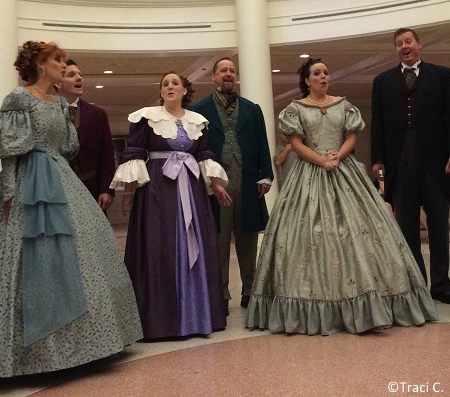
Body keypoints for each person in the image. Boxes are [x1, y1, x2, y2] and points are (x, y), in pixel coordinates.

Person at [246, 58, 437, 335]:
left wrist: (338, 155)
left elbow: (351, 137)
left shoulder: (343, 105)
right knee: (307, 233)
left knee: (360, 230)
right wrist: (321, 161)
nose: (323, 76)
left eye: (325, 72)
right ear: (307, 80)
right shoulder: (295, 109)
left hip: (343, 168)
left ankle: (373, 301)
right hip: (309, 172)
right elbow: (295, 143)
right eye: (316, 73)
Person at [0, 41, 142, 378]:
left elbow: (66, 147)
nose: (63, 66)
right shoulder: (18, 99)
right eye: (57, 61)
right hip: (30, 184)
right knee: (37, 257)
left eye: (64, 61)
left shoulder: (60, 102)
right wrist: (6, 195)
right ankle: (36, 351)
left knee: (86, 247)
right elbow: (8, 151)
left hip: (62, 177)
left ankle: (88, 344)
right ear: (38, 64)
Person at [110, 71, 230, 339]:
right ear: (161, 92)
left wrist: (217, 184)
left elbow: (203, 155)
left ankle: (197, 316)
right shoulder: (146, 117)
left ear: (185, 90)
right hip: (157, 191)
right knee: (160, 245)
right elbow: (136, 154)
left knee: (196, 244)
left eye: (175, 83)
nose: (170, 87)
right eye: (165, 84)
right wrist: (129, 193)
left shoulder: (198, 121)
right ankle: (161, 321)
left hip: (192, 189)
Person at [371, 27, 450, 304]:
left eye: (408, 41)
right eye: (399, 43)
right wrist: (378, 159)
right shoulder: (382, 81)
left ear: (419, 44)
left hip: (435, 161)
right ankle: (417, 286)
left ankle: (441, 285)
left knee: (439, 225)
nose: (404, 46)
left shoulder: (442, 76)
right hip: (399, 160)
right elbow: (377, 123)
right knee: (406, 227)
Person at [190, 58, 273, 310]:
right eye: (223, 70)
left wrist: (265, 174)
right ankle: (220, 293)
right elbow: (196, 147)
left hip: (247, 180)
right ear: (213, 76)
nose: (228, 74)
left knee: (247, 236)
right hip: (215, 183)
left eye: (232, 71)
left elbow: (262, 142)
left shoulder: (252, 109)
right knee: (218, 237)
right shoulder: (199, 110)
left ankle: (250, 290)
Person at [56, 59, 116, 213]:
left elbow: (107, 155)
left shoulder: (97, 114)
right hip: (56, 187)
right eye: (71, 75)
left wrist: (107, 189)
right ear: (58, 83)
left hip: (91, 189)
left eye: (80, 74)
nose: (79, 78)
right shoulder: (48, 112)